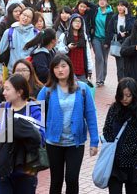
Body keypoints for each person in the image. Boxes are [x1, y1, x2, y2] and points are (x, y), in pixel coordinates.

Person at [37, 54, 99, 194]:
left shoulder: (82, 88)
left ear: (70, 68)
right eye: (56, 67)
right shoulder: (47, 90)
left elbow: (90, 114)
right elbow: (36, 115)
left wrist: (94, 141)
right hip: (53, 143)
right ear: (52, 70)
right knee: (56, 180)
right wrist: (39, 137)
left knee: (72, 179)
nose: (60, 70)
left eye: (63, 66)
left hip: (75, 144)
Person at [0, 74, 44, 194]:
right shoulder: (1, 108)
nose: (3, 93)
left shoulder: (33, 110)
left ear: (19, 92)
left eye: (7, 89)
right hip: (2, 168)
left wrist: (22, 128)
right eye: (4, 89)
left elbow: (42, 137)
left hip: (26, 169)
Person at [103, 78, 137, 194]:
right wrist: (111, 145)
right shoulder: (114, 108)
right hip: (115, 161)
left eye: (128, 95)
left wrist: (132, 149)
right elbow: (106, 130)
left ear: (134, 95)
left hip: (133, 163)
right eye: (122, 95)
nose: (124, 99)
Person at [0, 7, 38, 79]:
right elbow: (0, 53)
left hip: (29, 73)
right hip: (12, 72)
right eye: (24, 15)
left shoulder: (36, 34)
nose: (25, 18)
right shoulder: (9, 32)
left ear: (32, 20)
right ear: (20, 15)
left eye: (28, 17)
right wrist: (0, 72)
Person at [56, 13, 93, 82]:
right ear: (71, 22)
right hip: (69, 69)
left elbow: (87, 52)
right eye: (75, 21)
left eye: (79, 21)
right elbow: (58, 51)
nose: (77, 23)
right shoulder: (65, 35)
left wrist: (89, 68)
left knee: (82, 90)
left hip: (81, 68)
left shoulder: (84, 36)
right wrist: (68, 48)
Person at [106, 0, 134, 81]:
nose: (120, 7)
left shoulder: (130, 18)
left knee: (128, 66)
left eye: (122, 6)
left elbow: (132, 29)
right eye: (119, 5)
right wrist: (118, 35)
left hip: (128, 44)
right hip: (118, 44)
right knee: (120, 67)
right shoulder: (114, 17)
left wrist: (127, 16)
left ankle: (128, 84)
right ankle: (121, 85)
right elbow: (109, 32)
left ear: (126, 7)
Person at [90, 0, 114, 87]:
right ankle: (99, 79)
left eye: (104, 0)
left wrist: (108, 42)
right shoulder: (95, 11)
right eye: (100, 0)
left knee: (105, 59)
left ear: (107, 2)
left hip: (106, 39)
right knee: (99, 58)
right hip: (96, 38)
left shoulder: (110, 13)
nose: (102, 2)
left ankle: (103, 78)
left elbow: (111, 29)